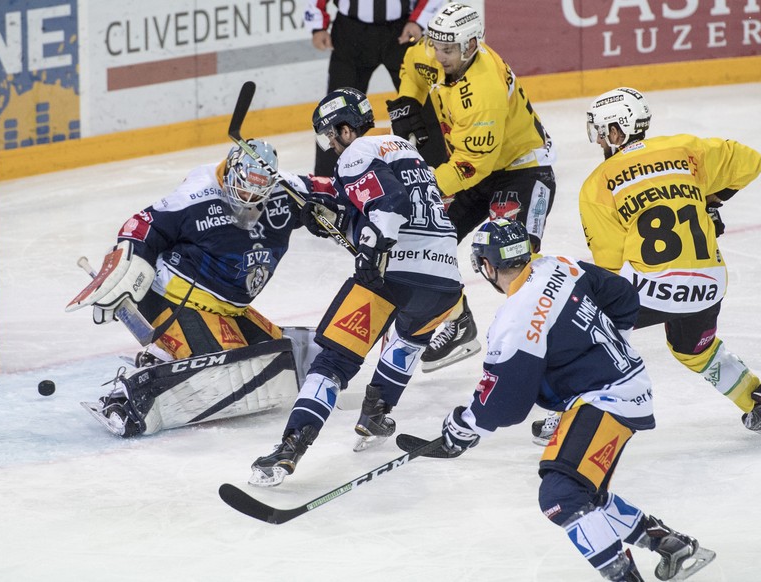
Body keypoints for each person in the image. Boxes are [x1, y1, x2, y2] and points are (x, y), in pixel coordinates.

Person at [427, 219, 716, 581]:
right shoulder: (557, 265)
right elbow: (623, 295)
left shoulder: (515, 319)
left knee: (562, 496)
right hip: (620, 388)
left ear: (487, 265)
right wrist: (608, 345)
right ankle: (673, 546)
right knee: (585, 495)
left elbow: (507, 402)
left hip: (607, 398)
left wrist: (465, 426)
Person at [248, 87, 464, 487]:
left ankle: (291, 447)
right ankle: (375, 414)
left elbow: (390, 204)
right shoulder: (400, 149)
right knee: (408, 341)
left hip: (393, 273)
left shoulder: (357, 153)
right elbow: (374, 201)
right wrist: (332, 216)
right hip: (446, 280)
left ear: (346, 129)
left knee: (333, 363)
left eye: (330, 135)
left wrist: (369, 250)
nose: (330, 145)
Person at [575, 86, 761, 441]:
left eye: (601, 134)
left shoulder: (597, 185)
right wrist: (710, 201)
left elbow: (611, 267)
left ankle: (565, 412)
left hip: (649, 290)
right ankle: (758, 402)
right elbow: (750, 161)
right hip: (708, 286)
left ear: (617, 132)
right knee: (694, 349)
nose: (600, 142)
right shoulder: (685, 149)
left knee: (584, 326)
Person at [66, 140, 327, 437]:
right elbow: (140, 225)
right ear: (231, 172)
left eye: (258, 192)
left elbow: (332, 189)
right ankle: (133, 388)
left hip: (229, 307)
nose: (248, 198)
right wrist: (121, 264)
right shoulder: (196, 194)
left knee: (278, 357)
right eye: (242, 188)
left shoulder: (285, 188)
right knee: (226, 369)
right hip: (174, 296)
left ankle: (164, 354)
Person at [387, 2, 557, 372]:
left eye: (447, 50)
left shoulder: (485, 91)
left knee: (510, 258)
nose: (438, 56)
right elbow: (413, 66)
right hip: (476, 165)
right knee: (424, 241)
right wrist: (406, 104)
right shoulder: (438, 49)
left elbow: (470, 166)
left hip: (522, 170)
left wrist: (423, 187)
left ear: (471, 46)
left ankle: (551, 343)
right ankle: (459, 322)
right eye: (437, 46)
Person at [305, 0, 447, 176]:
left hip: (402, 30)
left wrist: (419, 20)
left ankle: (439, 177)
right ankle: (327, 184)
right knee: (333, 113)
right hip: (350, 31)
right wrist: (317, 24)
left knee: (423, 108)